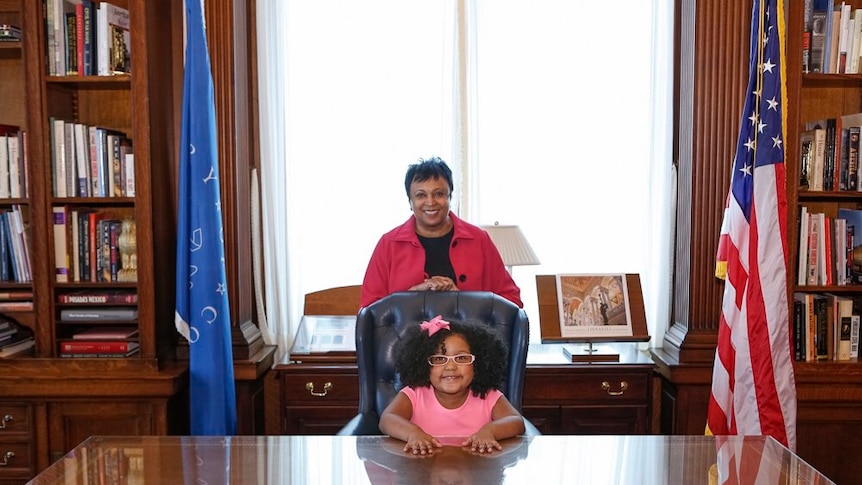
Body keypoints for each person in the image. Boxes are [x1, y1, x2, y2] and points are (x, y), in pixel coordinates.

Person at [360, 157, 522, 308]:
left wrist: (461, 299)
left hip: (471, 335)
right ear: (410, 201)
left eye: (439, 194)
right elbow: (369, 309)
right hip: (406, 337)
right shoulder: (389, 244)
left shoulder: (479, 239)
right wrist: (414, 293)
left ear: (450, 197)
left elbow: (511, 301)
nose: (430, 202)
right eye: (421, 195)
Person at [378, 316, 526, 455]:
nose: (450, 367)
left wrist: (490, 431)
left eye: (461, 358)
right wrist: (412, 433)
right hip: (423, 471)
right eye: (439, 359)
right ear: (423, 364)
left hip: (476, 471)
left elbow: (516, 421)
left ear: (478, 363)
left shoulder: (487, 395)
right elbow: (387, 419)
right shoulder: (415, 394)